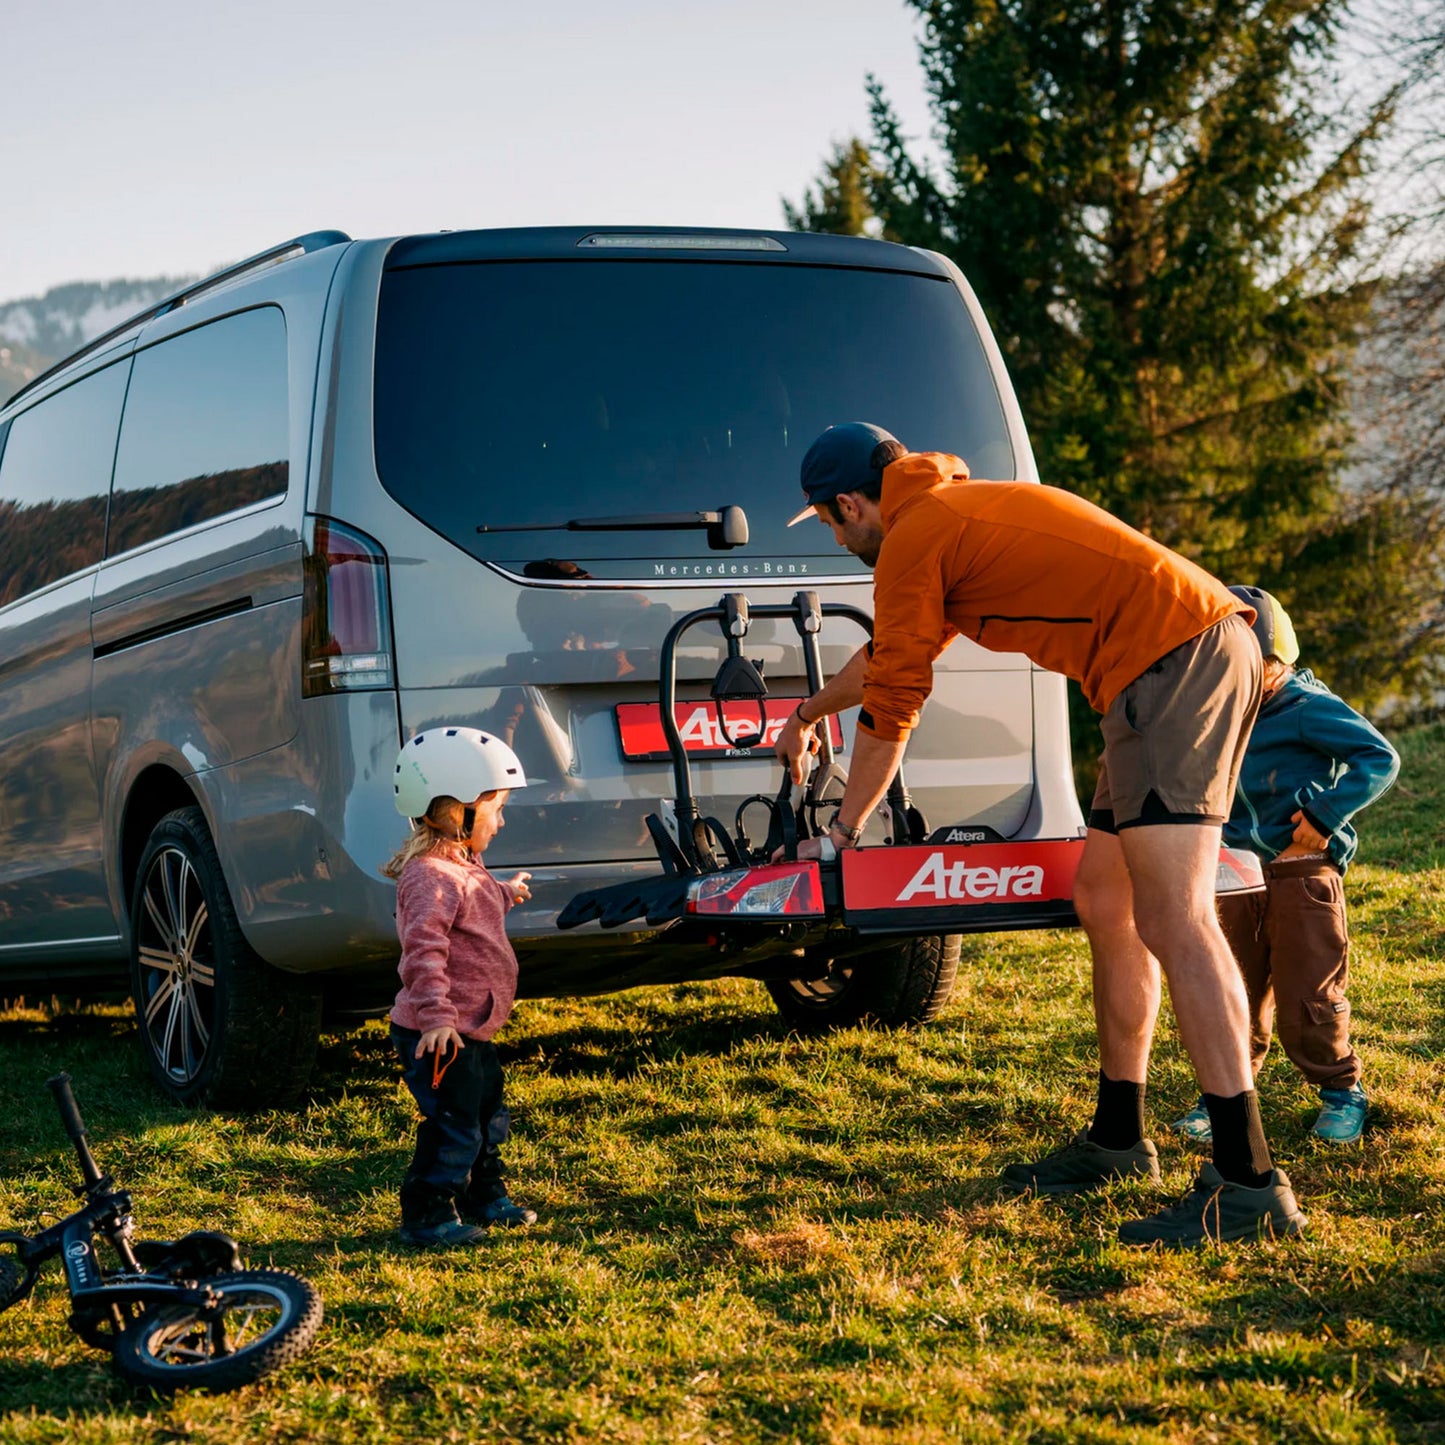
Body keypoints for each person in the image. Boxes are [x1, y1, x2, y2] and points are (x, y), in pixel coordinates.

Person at [776, 422, 1306, 1246]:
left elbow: (894, 707)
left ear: (849, 503)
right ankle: (1117, 1139)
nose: (842, 541)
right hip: (1157, 662)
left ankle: (1246, 1183)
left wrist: (842, 830)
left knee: (1176, 917)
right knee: (1105, 898)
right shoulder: (946, 519)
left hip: (1172, 660)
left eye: (834, 524)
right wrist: (807, 714)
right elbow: (888, 659)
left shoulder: (917, 535)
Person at [1170, 586, 1399, 1148]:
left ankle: (1342, 1092)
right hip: (1231, 872)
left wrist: (1322, 817)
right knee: (1232, 986)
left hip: (1302, 872)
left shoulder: (1304, 706)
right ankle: (1223, 1093)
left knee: (1308, 991)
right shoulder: (1220, 712)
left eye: (1247, 666)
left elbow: (1380, 758)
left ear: (1275, 660)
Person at [383, 726, 538, 1247]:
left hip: (471, 1029)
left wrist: (503, 890)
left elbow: (472, 888)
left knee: (487, 1114)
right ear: (455, 813)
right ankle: (425, 1216)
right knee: (455, 1125)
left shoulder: (462, 865)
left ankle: (483, 1195)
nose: (501, 819)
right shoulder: (429, 877)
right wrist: (437, 1017)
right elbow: (422, 951)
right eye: (495, 808)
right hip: (440, 1033)